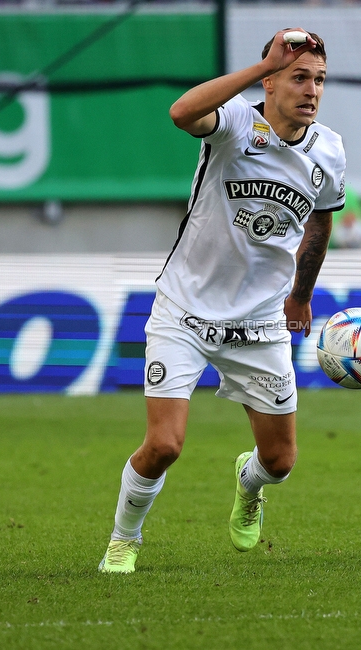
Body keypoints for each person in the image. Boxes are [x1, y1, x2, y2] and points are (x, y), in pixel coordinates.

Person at [98, 27, 346, 574]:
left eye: (320, 80)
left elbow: (321, 224)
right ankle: (125, 539)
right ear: (272, 79)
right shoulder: (234, 121)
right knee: (164, 445)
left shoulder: (328, 149)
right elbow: (180, 112)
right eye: (300, 77)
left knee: (279, 462)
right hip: (183, 311)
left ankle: (248, 483)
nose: (312, 91)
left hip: (259, 322)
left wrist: (301, 297)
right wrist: (260, 68)